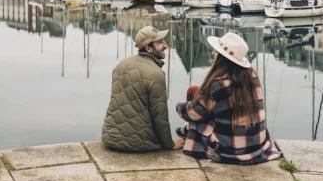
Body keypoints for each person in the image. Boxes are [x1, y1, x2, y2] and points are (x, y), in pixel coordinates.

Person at [175, 32, 281, 165]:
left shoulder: (218, 84)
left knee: (197, 117)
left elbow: (193, 113)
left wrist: (179, 106)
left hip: (231, 149)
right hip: (257, 144)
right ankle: (186, 129)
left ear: (221, 57)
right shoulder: (251, 75)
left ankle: (186, 130)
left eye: (216, 51)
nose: (213, 52)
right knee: (198, 95)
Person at [102, 26, 184, 152]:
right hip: (139, 143)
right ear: (148, 48)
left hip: (110, 138)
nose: (166, 45)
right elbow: (160, 116)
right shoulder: (155, 74)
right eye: (160, 42)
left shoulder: (121, 64)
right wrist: (169, 145)